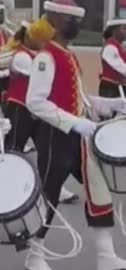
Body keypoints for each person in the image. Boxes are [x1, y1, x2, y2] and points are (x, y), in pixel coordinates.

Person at [24, 1, 126, 270]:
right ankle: (34, 256)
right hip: (56, 136)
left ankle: (106, 257)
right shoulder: (46, 57)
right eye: (71, 19)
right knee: (48, 196)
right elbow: (36, 102)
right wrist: (75, 124)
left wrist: (107, 104)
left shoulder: (67, 54)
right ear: (53, 19)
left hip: (77, 138)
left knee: (99, 190)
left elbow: (78, 97)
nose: (76, 25)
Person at [4, 20, 79, 204]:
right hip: (19, 109)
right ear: (30, 37)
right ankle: (7, 187)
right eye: (41, 39)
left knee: (47, 153)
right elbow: (41, 80)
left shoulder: (38, 55)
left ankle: (55, 187)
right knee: (13, 150)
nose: (44, 42)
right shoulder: (22, 56)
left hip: (35, 112)